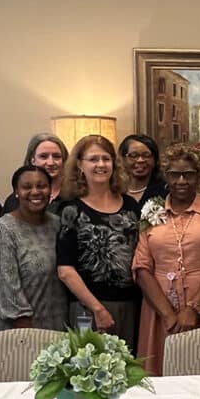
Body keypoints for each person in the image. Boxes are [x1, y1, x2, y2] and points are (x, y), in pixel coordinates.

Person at [132, 143, 200, 376]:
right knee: (162, 375)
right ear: (166, 176)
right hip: (160, 307)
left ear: (198, 176)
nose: (181, 181)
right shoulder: (152, 211)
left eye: (188, 174)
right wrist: (168, 314)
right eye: (174, 174)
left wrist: (194, 308)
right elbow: (142, 266)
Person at [57, 135, 142, 349]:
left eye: (106, 159)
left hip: (130, 306)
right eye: (93, 159)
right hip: (87, 308)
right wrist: (97, 308)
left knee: (128, 365)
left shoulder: (130, 206)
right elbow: (65, 270)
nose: (101, 165)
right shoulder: (71, 209)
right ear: (80, 164)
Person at [0, 166, 67, 330]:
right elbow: (6, 289)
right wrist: (27, 332)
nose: (35, 192)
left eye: (41, 186)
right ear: (16, 192)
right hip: (22, 330)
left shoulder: (57, 224)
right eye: (27, 187)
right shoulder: (3, 229)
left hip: (60, 325)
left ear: (50, 190)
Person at [2, 134, 68, 214]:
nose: (51, 162)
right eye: (43, 156)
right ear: (32, 160)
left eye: (56, 156)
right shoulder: (17, 199)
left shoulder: (74, 195)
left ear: (64, 160)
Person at [118, 134, 167, 207]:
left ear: (155, 159)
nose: (140, 160)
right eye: (134, 155)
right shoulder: (115, 190)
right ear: (123, 159)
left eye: (146, 155)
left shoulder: (165, 190)